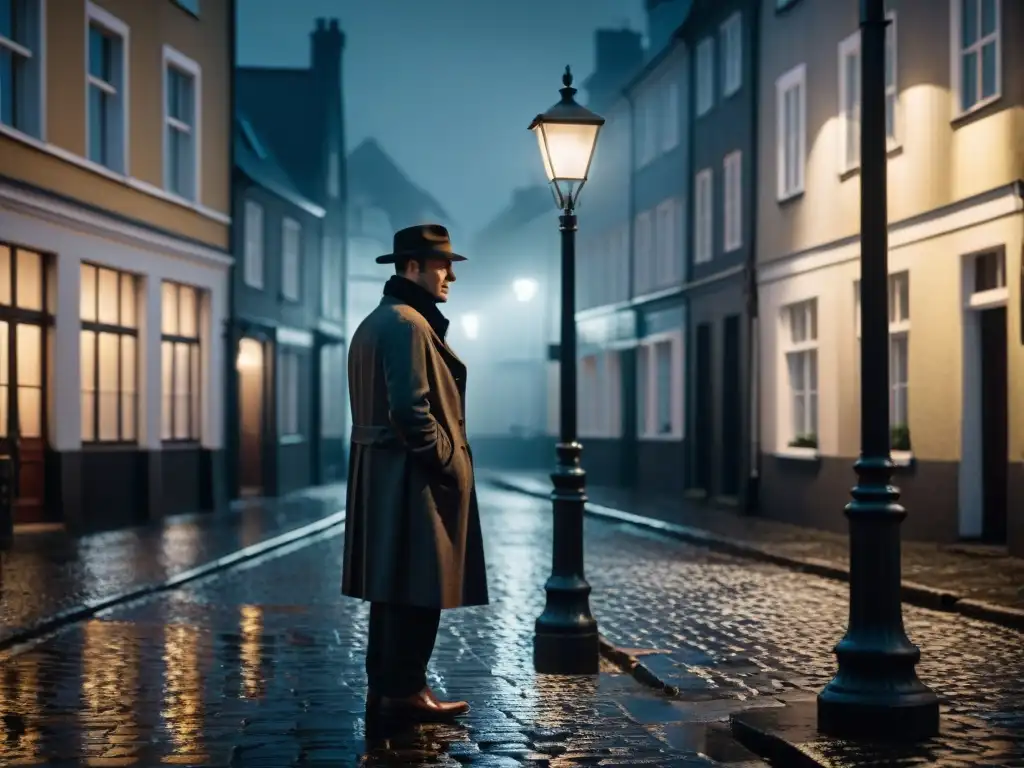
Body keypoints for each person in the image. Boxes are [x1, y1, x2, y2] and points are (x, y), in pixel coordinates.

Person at [342, 223, 489, 721]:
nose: (450, 275)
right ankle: (404, 691)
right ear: (411, 268)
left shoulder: (378, 320)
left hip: (388, 476)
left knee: (394, 590)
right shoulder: (408, 324)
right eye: (441, 265)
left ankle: (389, 688)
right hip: (411, 480)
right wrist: (447, 460)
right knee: (419, 590)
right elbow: (410, 411)